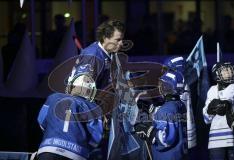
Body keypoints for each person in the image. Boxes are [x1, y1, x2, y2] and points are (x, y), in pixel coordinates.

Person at [35, 19, 125, 160]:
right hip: (78, 117)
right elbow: (79, 89)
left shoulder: (107, 56)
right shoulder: (93, 56)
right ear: (105, 38)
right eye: (118, 39)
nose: (121, 43)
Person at [134, 70, 188, 160]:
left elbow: (166, 140)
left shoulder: (167, 109)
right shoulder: (180, 105)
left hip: (167, 156)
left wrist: (149, 132)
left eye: (162, 84)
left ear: (168, 86)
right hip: (178, 155)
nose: (160, 86)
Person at [202, 62, 234, 160]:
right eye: (225, 70)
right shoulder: (212, 90)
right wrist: (211, 109)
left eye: (230, 69)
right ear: (216, 74)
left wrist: (229, 105)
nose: (229, 72)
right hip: (216, 140)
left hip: (233, 138)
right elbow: (206, 119)